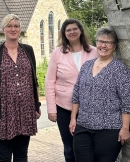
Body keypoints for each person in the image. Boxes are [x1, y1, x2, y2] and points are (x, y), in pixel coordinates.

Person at [69, 26, 130, 162]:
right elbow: (76, 94)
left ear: (114, 46)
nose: (103, 45)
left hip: (109, 130)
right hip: (83, 127)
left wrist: (125, 128)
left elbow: (127, 102)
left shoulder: (120, 70)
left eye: (108, 42)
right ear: (96, 43)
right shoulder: (86, 66)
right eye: (100, 41)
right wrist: (73, 119)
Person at [0, 14, 41, 162]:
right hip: (3, 112)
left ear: (20, 29)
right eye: (9, 26)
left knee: (22, 155)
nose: (13, 29)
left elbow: (34, 79)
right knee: (4, 155)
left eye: (16, 26)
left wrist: (37, 104)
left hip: (26, 110)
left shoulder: (28, 50)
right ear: (3, 29)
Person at [45, 19, 98, 162]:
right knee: (69, 147)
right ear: (64, 33)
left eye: (75, 29)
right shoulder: (58, 53)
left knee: (88, 146)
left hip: (89, 108)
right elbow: (50, 81)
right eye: (68, 30)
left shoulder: (94, 52)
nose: (72, 32)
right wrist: (51, 109)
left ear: (81, 30)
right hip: (64, 108)